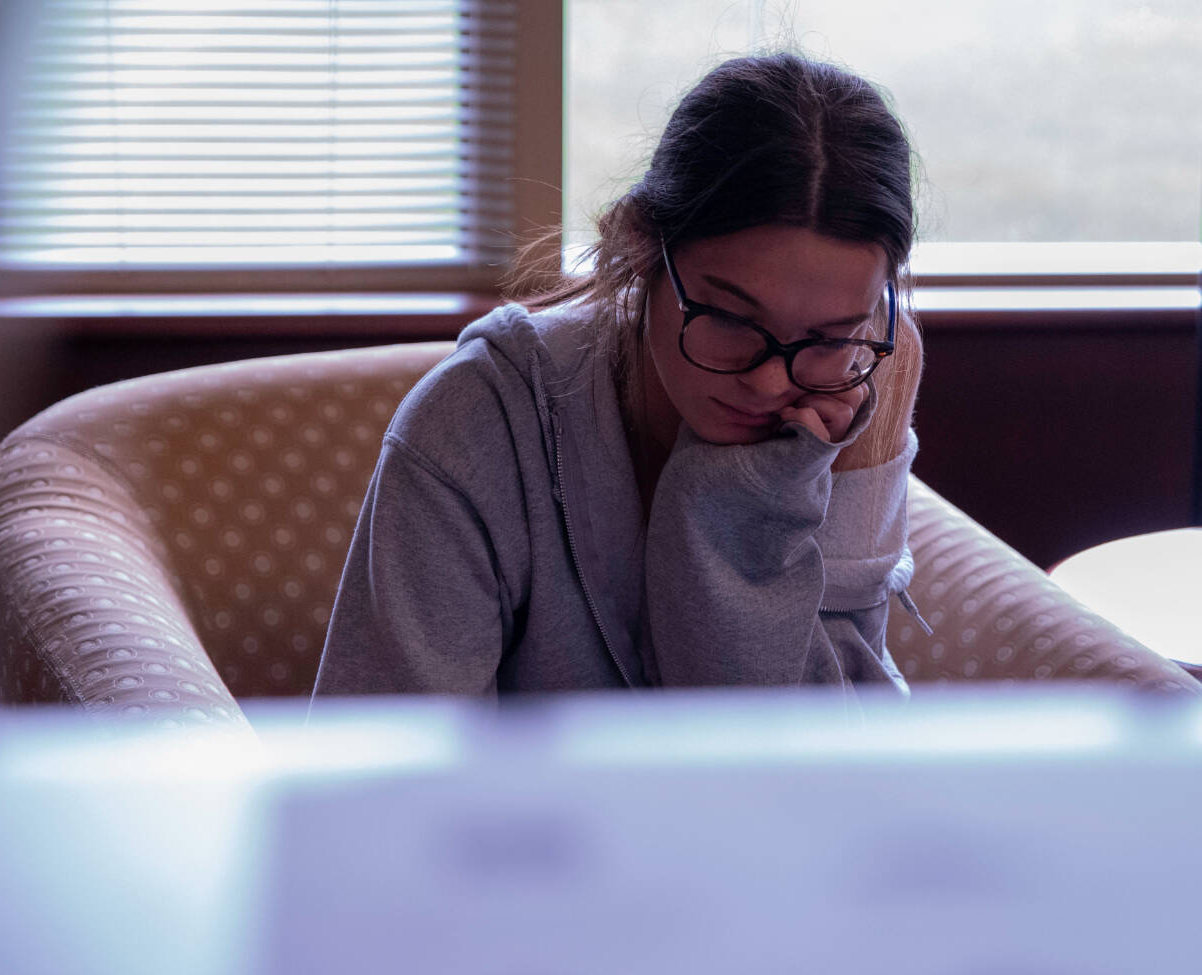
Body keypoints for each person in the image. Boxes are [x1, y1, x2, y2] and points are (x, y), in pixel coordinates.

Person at [312, 52, 926, 701]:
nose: (774, 381)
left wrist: (751, 506)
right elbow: (401, 772)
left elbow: (831, 759)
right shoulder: (475, 425)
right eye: (731, 318)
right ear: (636, 243)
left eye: (827, 336)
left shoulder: (861, 380)